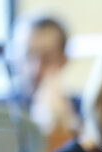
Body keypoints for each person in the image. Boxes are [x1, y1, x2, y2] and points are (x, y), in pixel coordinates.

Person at [6, 14, 80, 143]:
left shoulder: (84, 111)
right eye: (29, 55)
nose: (36, 68)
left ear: (63, 60)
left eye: (47, 57)